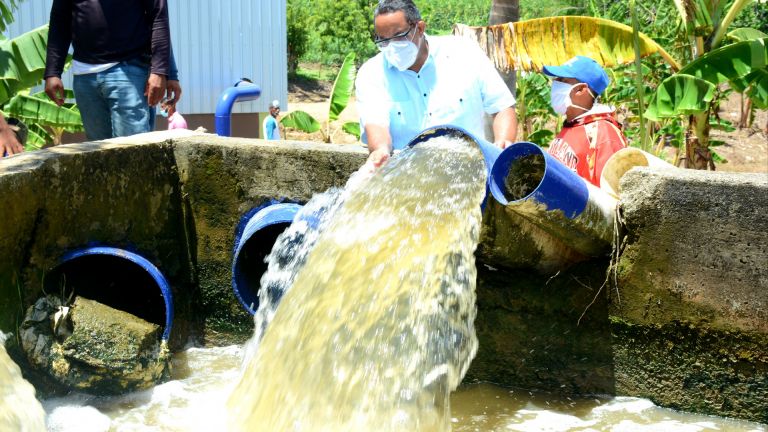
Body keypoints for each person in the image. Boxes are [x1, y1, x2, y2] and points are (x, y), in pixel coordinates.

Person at [356, 0, 518, 169]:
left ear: (419, 28)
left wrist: (503, 142)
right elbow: (376, 125)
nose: (392, 46)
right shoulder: (372, 73)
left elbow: (502, 107)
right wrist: (380, 150)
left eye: (398, 36)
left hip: (470, 170)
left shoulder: (464, 53)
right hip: (409, 175)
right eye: (383, 40)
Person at [43, 0, 181, 140]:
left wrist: (163, 72)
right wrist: (53, 71)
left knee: (132, 150)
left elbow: (159, 18)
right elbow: (59, 20)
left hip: (129, 71)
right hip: (85, 77)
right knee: (98, 154)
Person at [542, 55, 628, 187]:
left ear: (581, 90)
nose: (554, 83)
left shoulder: (604, 135)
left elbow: (611, 192)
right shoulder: (572, 125)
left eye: (562, 80)